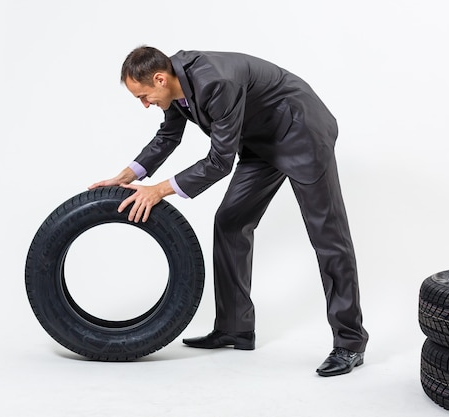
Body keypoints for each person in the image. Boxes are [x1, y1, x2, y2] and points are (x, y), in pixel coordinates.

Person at [89, 46, 369, 377]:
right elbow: (167, 137)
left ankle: (350, 343)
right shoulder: (177, 88)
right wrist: (129, 175)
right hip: (260, 141)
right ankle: (235, 328)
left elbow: (218, 162)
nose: (145, 104)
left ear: (161, 79)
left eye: (144, 95)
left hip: (301, 133)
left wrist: (158, 190)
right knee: (230, 221)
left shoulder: (215, 82)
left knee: (328, 236)